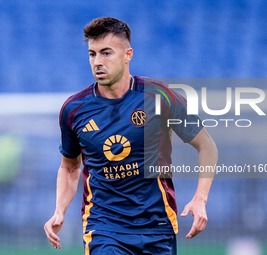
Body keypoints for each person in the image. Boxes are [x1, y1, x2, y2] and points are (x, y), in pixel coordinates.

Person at [44, 17, 218, 255]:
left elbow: (207, 146)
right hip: (104, 228)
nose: (97, 62)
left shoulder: (159, 97)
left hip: (157, 226)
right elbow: (70, 167)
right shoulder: (74, 110)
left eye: (106, 53)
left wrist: (200, 199)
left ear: (128, 55)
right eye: (92, 54)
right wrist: (59, 210)